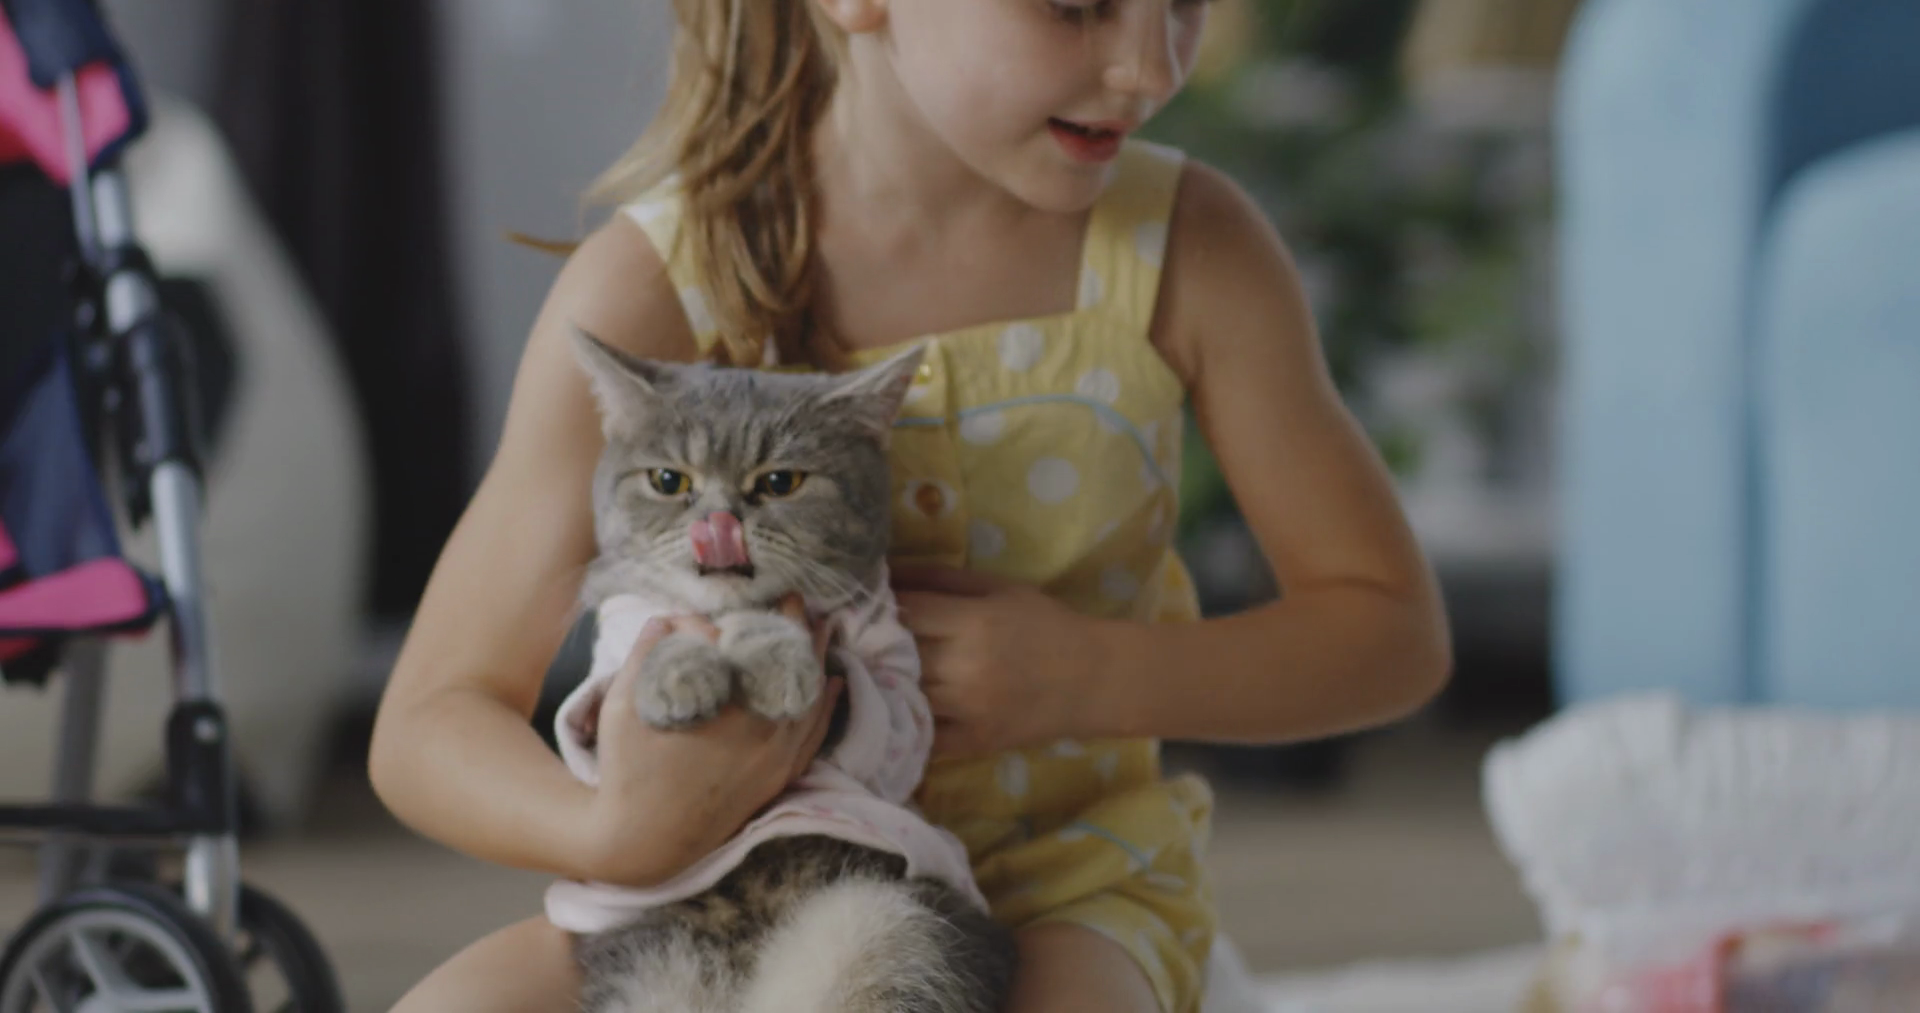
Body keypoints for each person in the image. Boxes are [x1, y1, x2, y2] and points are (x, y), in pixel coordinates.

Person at [367, 1, 1452, 1010]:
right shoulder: (657, 286)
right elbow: (429, 721)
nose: (1147, 64)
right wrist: (621, 827)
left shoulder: (1189, 250)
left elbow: (1390, 630)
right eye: (1075, 3)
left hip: (1065, 887)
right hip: (705, 885)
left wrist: (1095, 674)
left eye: (1180, 1)